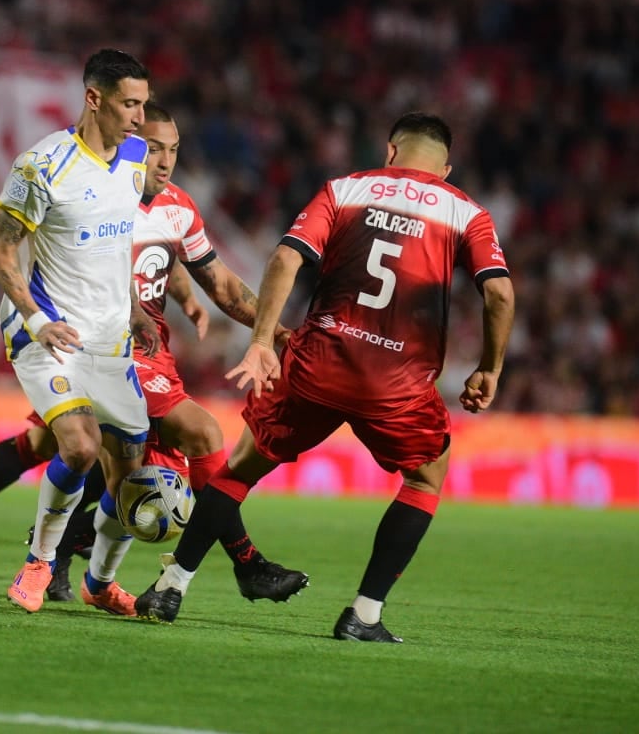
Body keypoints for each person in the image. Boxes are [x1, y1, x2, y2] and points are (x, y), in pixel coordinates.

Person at [135, 111, 516, 643]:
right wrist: (490, 367)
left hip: (319, 364)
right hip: (397, 384)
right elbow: (498, 293)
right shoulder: (466, 213)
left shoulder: (344, 190)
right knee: (426, 479)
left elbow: (286, 258)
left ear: (390, 151)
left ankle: (171, 586)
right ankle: (363, 615)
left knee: (238, 471)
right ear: (446, 169)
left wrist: (264, 341)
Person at [0, 105, 308, 606]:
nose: (164, 160)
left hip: (135, 342)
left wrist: (261, 325)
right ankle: (244, 561)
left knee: (53, 445)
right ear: (128, 145)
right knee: (191, 438)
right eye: (152, 148)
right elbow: (5, 232)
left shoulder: (178, 207)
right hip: (84, 337)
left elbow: (211, 278)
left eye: (173, 149)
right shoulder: (94, 184)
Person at [0, 48, 160, 616]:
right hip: (49, 334)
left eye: (143, 103)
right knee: (82, 447)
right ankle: (38, 563)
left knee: (131, 475)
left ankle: (100, 582)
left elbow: (115, 244)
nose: (140, 117)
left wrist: (134, 307)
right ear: (94, 99)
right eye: (129, 104)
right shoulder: (41, 165)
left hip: (112, 339)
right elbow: (2, 250)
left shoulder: (135, 157)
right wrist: (36, 321)